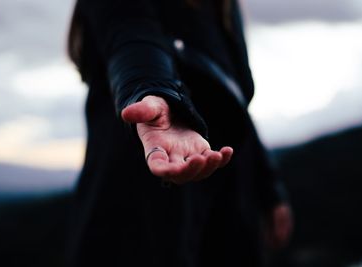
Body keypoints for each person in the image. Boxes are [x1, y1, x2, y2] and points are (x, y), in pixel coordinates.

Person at [65, 0, 293, 266]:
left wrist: (269, 189)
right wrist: (154, 91)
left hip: (227, 207)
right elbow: (134, 39)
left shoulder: (225, 8)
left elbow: (235, 103)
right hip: (143, 206)